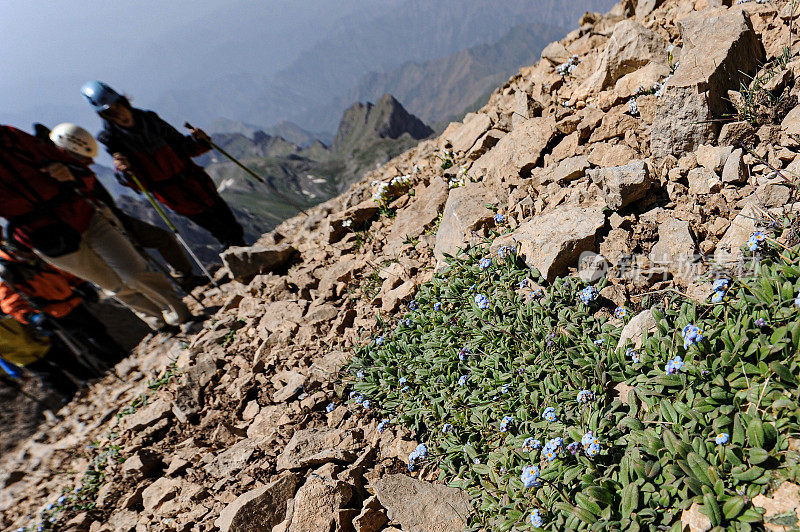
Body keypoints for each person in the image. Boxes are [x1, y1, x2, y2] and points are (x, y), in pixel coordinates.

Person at [0, 124, 196, 332]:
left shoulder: (11, 136)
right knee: (112, 284)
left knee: (134, 271)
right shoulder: (9, 137)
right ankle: (159, 323)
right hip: (46, 238)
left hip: (84, 214)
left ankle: (180, 315)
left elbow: (75, 167)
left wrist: (70, 173)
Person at [82, 81, 246, 248]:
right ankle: (241, 257)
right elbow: (135, 182)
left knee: (231, 224)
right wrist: (124, 171)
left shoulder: (150, 119)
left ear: (123, 102)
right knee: (221, 230)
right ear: (105, 115)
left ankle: (244, 254)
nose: (119, 114)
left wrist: (199, 141)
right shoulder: (112, 140)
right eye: (111, 112)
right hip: (174, 195)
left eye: (118, 106)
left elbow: (183, 146)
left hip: (196, 181)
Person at [46, 122, 206, 291]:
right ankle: (168, 296)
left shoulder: (72, 170)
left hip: (114, 218)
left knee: (161, 240)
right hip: (100, 226)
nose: (91, 162)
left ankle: (184, 281)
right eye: (85, 158)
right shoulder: (59, 175)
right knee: (139, 262)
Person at [0, 235, 127, 365]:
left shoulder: (34, 255)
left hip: (71, 299)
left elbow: (61, 269)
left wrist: (80, 284)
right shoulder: (7, 271)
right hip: (52, 312)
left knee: (95, 328)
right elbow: (10, 302)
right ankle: (112, 360)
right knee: (83, 336)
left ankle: (120, 356)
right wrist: (31, 316)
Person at [0, 314, 90, 399]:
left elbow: (28, 323)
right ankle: (70, 394)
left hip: (39, 344)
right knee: (48, 375)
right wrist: (14, 372)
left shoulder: (6, 315)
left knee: (64, 360)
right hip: (23, 358)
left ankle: (88, 378)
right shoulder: (6, 316)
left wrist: (43, 336)